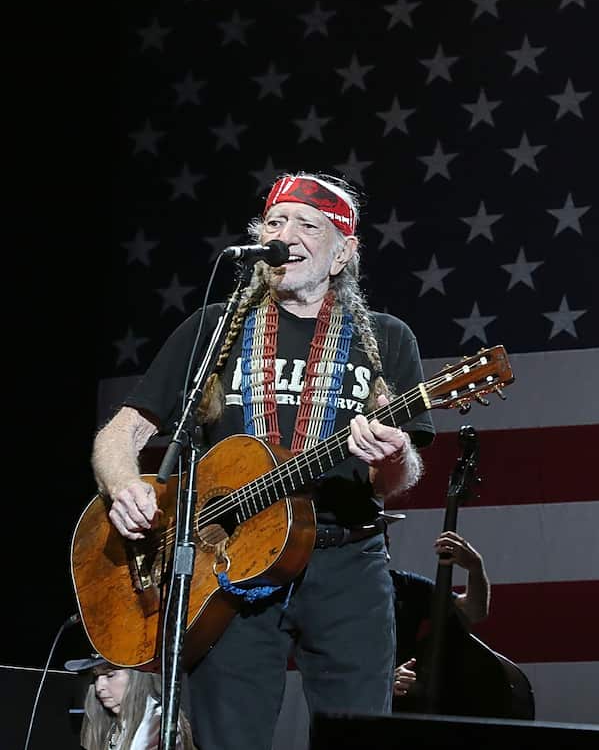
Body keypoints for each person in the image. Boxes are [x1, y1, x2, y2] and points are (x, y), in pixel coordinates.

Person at [90, 172, 435, 750]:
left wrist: (395, 454)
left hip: (345, 561)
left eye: (308, 225)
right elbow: (119, 435)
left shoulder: (385, 337)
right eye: (275, 222)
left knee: (359, 735)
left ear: (342, 254)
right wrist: (125, 485)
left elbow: (395, 479)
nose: (286, 234)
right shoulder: (216, 327)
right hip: (227, 564)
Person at [390, 529, 492, 704]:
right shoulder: (333, 594)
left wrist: (475, 566)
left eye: (384, 532)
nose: (384, 539)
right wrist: (382, 682)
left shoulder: (403, 585)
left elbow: (473, 611)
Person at [66, 653, 195, 750]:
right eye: (96, 677)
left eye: (110, 675)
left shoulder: (158, 723)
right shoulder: (114, 723)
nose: (99, 687)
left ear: (136, 676)